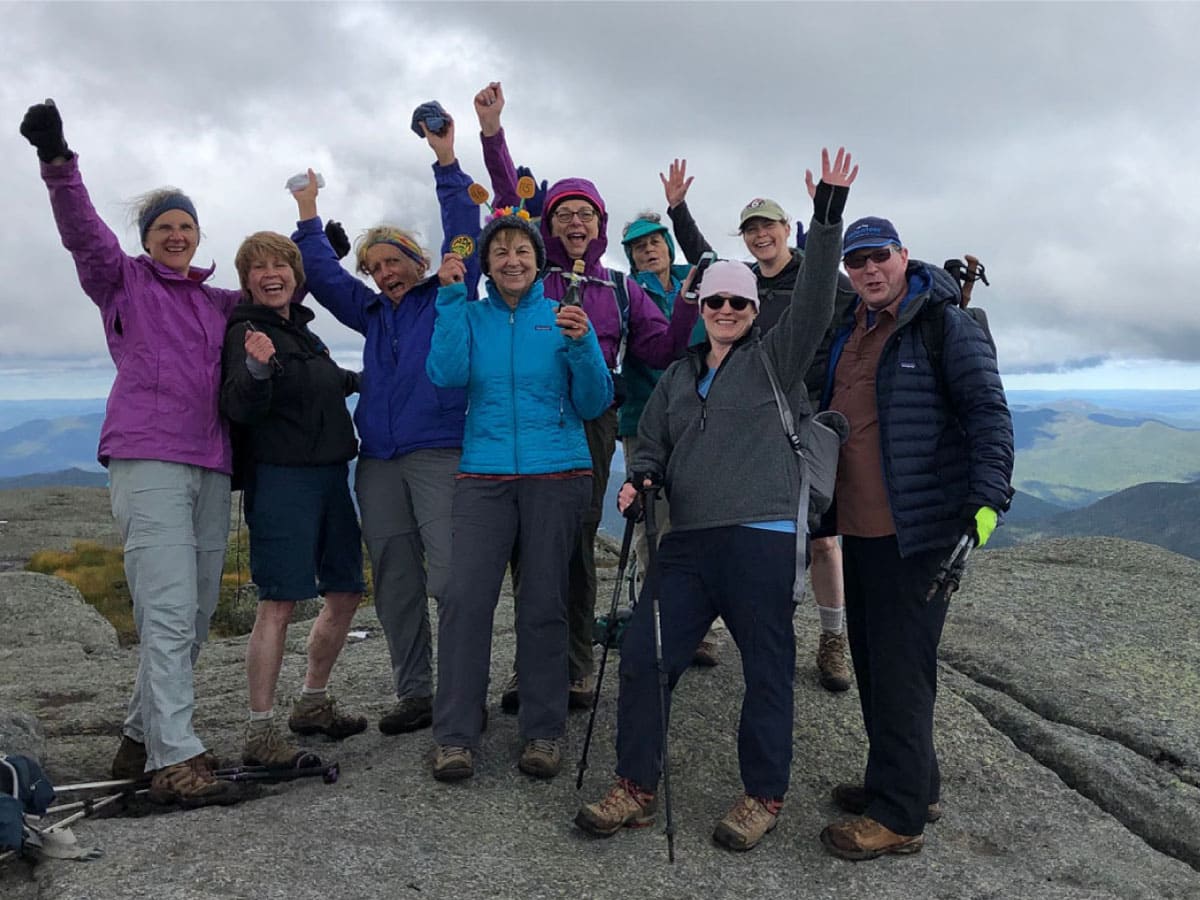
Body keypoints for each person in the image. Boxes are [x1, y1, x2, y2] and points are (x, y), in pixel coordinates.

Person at [575, 149, 855, 852]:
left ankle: (763, 795)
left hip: (760, 537)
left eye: (739, 301)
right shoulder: (677, 376)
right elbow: (654, 446)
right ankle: (636, 786)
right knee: (643, 656)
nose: (726, 309)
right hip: (690, 543)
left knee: (766, 671)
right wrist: (640, 476)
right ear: (700, 310)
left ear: (755, 310)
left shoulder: (776, 360)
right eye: (715, 301)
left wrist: (826, 217)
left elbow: (819, 293)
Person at [19, 99, 243, 806]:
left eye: (186, 226)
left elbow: (280, 289)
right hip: (147, 457)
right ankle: (175, 758)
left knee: (198, 609)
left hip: (211, 463)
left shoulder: (219, 305)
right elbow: (82, 234)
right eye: (164, 228)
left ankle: (142, 736)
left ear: (199, 235)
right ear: (147, 239)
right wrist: (58, 163)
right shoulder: (122, 280)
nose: (176, 236)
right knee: (170, 609)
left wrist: (309, 250)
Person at [473, 81, 698, 713]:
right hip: (527, 414)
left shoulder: (621, 290)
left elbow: (662, 350)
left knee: (569, 540)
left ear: (599, 226)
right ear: (550, 225)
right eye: (565, 213)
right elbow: (504, 205)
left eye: (587, 214)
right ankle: (534, 666)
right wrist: (493, 133)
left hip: (592, 420)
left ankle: (569, 666)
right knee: (528, 545)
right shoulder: (531, 273)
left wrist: (686, 303)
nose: (575, 221)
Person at [817, 217, 1013, 860]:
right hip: (860, 527)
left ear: (903, 256)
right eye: (857, 263)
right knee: (876, 664)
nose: (869, 271)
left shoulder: (942, 325)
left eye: (878, 258)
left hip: (919, 531)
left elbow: (988, 413)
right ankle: (905, 783)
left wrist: (985, 506)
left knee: (901, 671)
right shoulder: (850, 331)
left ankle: (899, 818)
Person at [289, 110, 479, 737]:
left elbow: (462, 233)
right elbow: (320, 276)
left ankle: (459, 691)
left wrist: (447, 162)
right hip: (378, 462)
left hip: (441, 453)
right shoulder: (371, 313)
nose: (383, 272)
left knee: (451, 578)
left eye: (393, 261)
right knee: (397, 582)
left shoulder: (448, 291)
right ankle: (416, 694)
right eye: (374, 267)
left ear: (417, 261)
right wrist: (309, 214)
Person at [426, 210, 612, 782]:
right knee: (464, 602)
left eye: (522, 252)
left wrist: (583, 350)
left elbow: (594, 402)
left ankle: (542, 731)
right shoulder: (471, 314)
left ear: (539, 263)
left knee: (543, 603)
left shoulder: (563, 317)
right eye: (500, 251)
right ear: (486, 264)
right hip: (483, 474)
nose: (512, 260)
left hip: (557, 474)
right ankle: (456, 735)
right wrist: (452, 300)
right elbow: (445, 374)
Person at [661, 159, 854, 692]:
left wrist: (827, 213)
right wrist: (678, 211)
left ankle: (833, 638)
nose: (760, 235)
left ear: (787, 228)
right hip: (752, 426)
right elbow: (706, 262)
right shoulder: (741, 285)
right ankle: (736, 626)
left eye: (768, 225)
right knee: (743, 528)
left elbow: (853, 307)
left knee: (821, 538)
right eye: (751, 229)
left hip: (808, 418)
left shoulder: (820, 280)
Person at [220, 232, 368, 769]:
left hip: (330, 476)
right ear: (246, 282)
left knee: (346, 591)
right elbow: (239, 402)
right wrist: (258, 370)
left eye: (279, 263)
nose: (270, 273)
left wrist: (379, 382)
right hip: (282, 479)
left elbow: (331, 381)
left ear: (294, 274)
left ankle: (312, 702)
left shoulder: (302, 334)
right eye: (257, 267)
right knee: (279, 602)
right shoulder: (248, 331)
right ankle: (260, 731)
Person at [619, 213, 721, 667]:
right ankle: (657, 612)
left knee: (702, 515)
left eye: (654, 242)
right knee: (651, 521)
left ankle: (700, 621)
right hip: (645, 417)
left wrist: (679, 211)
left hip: (703, 412)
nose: (648, 251)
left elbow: (712, 259)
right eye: (638, 247)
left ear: (669, 244)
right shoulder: (627, 293)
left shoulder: (694, 279)